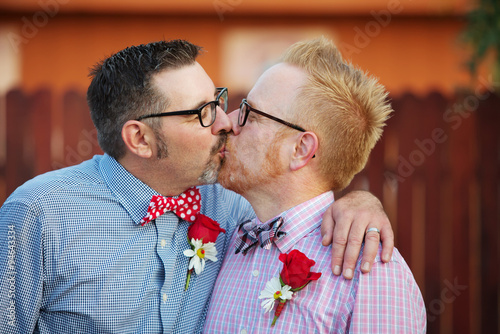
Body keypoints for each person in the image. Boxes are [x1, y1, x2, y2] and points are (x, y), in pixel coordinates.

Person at [0, 39, 393, 334]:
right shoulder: (39, 215)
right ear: (140, 140)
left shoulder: (235, 212)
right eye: (201, 113)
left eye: (218, 100)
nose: (225, 121)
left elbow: (296, 198)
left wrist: (362, 202)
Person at [203, 37, 426, 333]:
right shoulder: (226, 232)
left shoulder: (371, 274)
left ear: (301, 149)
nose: (229, 121)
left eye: (250, 114)